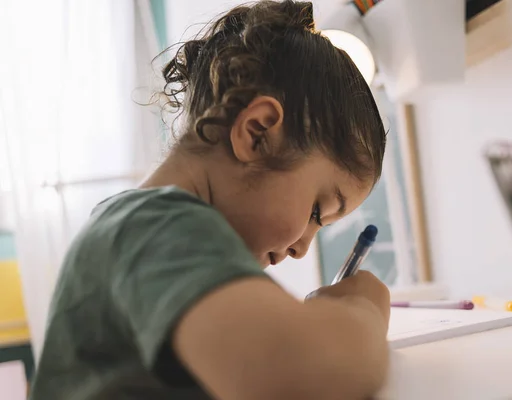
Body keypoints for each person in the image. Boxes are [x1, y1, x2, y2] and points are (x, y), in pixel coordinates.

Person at [29, 1, 390, 399]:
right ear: (258, 133)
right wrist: (363, 311)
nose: (303, 248)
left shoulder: (140, 226)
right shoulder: (152, 228)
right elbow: (296, 374)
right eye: (316, 211)